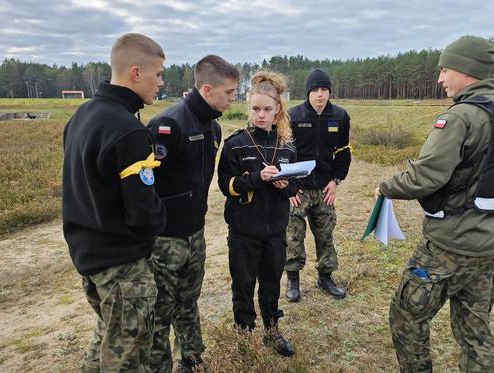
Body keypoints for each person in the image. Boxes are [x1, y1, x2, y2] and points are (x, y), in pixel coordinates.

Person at [377, 35, 494, 372]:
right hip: (489, 243)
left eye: (445, 70)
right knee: (475, 332)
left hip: (450, 244)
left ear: (467, 71)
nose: (440, 79)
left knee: (406, 316)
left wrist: (386, 186)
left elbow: (425, 177)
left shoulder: (459, 117)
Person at [61, 33, 167, 372]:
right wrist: (161, 218)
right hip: (122, 266)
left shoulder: (82, 115)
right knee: (127, 358)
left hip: (89, 257)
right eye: (159, 74)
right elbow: (144, 213)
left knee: (108, 338)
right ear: (136, 73)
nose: (161, 83)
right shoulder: (130, 131)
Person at [147, 55, 239, 372]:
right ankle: (158, 366)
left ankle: (192, 359)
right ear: (207, 88)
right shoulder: (167, 126)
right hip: (163, 239)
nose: (233, 98)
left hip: (195, 235)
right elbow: (144, 185)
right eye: (229, 92)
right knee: (160, 309)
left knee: (188, 301)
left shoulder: (213, 127)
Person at [217, 70, 298, 357]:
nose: (260, 115)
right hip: (243, 233)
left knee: (271, 285)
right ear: (248, 108)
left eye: (267, 109)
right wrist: (256, 178)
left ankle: (272, 332)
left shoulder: (287, 146)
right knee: (243, 287)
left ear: (278, 111)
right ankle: (245, 337)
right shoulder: (235, 144)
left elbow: (295, 186)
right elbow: (226, 187)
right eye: (255, 109)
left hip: (275, 231)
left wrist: (286, 184)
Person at [284, 68, 352, 302]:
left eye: (324, 90)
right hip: (298, 188)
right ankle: (292, 280)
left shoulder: (340, 117)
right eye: (315, 90)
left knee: (325, 235)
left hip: (324, 188)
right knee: (293, 235)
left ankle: (326, 277)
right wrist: (289, 186)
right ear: (308, 93)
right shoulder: (293, 116)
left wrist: (335, 181)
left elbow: (343, 152)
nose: (320, 95)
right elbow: (283, 153)